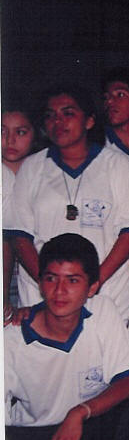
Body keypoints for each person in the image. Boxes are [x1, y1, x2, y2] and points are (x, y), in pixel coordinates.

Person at [5, 233, 129, 440]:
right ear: (40, 283)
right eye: (51, 278)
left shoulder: (103, 311)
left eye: (73, 280)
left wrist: (80, 412)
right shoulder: (11, 340)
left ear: (92, 287)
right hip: (39, 438)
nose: (60, 291)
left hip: (86, 424)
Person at [5, 85, 129, 321]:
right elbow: (21, 235)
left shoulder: (117, 165)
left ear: (89, 121)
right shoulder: (32, 167)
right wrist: (49, 283)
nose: (58, 121)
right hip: (43, 299)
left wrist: (93, 281)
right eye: (50, 116)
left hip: (105, 294)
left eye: (68, 113)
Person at [2, 105, 40, 316]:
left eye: (21, 132)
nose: (10, 140)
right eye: (2, 131)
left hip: (35, 276)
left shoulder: (43, 173)